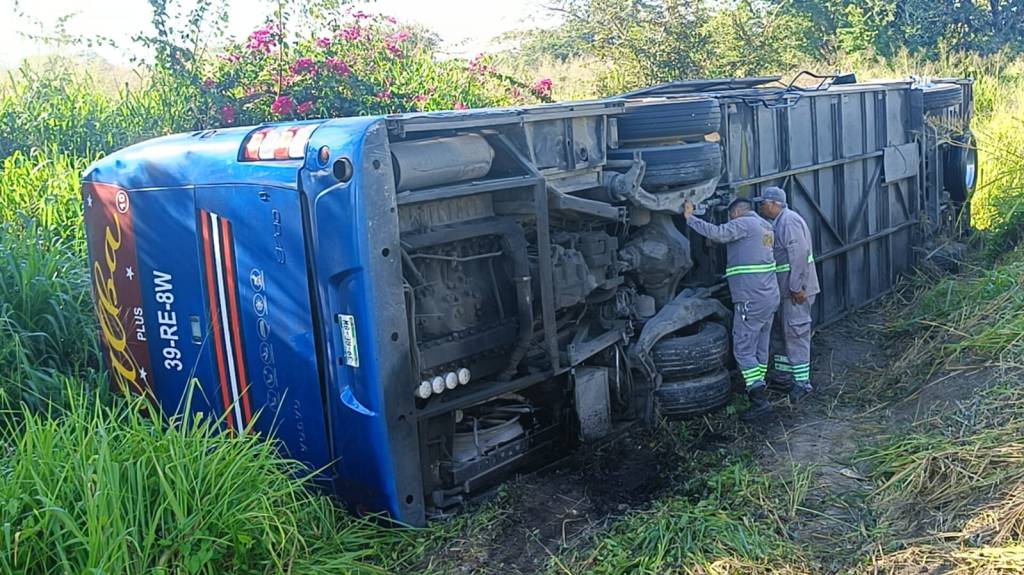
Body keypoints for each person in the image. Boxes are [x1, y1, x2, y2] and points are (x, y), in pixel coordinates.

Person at [683, 198, 780, 420]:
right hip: (768, 297)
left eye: (730, 219)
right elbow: (742, 248)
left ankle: (758, 400)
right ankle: (759, 387)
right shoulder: (765, 226)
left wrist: (690, 218)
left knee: (744, 349)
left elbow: (719, 233)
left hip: (751, 299)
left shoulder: (744, 223)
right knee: (760, 347)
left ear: (736, 213)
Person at [754, 187, 820, 403]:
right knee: (785, 333)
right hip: (786, 292)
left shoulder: (788, 222)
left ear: (774, 204)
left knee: (796, 332)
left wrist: (796, 287)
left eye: (763, 203)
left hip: (795, 292)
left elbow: (799, 255)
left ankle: (802, 383)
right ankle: (786, 377)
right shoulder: (780, 222)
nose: (761, 207)